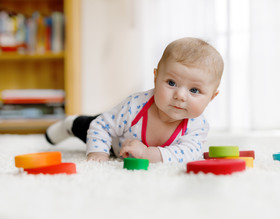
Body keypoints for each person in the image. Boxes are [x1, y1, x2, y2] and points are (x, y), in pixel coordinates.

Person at [45, 37, 224, 163]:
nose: (180, 95)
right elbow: (101, 126)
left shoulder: (197, 125)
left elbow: (189, 153)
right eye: (171, 83)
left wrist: (148, 154)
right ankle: (69, 124)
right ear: (156, 78)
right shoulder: (135, 105)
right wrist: (98, 153)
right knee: (85, 125)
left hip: (134, 147)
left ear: (212, 97)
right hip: (112, 137)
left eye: (194, 90)